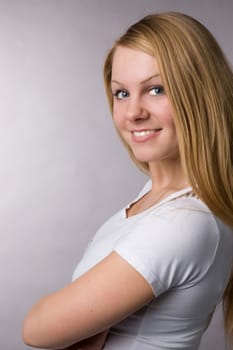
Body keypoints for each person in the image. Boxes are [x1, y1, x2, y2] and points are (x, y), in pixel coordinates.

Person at [23, 12, 233, 350]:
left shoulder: (182, 222)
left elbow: (37, 329)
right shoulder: (157, 195)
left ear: (200, 95)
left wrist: (93, 324)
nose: (133, 112)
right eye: (121, 93)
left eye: (156, 89)